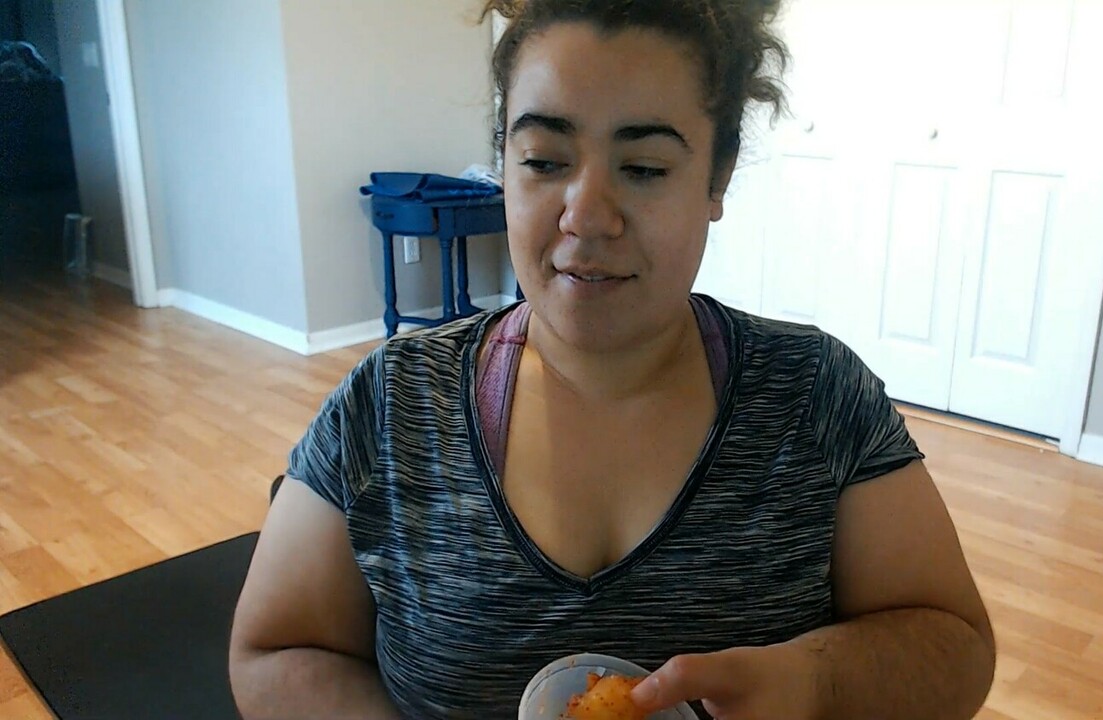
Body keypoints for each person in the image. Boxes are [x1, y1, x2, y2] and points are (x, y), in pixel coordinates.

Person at [227, 0, 997, 718]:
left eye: (645, 168)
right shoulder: (391, 401)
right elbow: (274, 651)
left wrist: (814, 680)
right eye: (543, 160)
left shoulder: (815, 396)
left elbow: (956, 645)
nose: (587, 216)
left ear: (718, 176)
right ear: (503, 163)